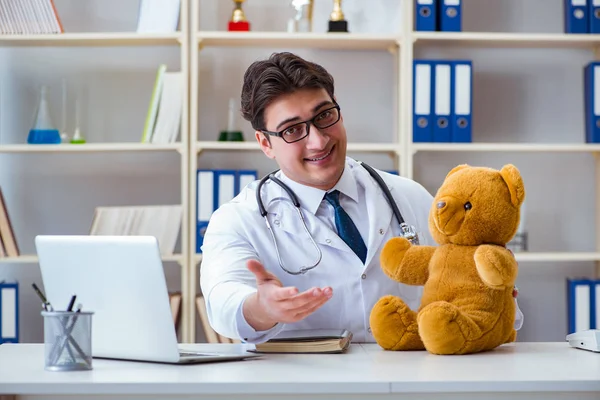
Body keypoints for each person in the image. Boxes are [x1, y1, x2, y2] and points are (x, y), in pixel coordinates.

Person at [199, 52, 508, 344]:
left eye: (324, 115)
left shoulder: (408, 196)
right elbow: (222, 301)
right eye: (293, 130)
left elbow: (470, 279)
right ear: (265, 143)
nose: (318, 140)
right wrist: (260, 308)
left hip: (407, 382)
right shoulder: (239, 219)